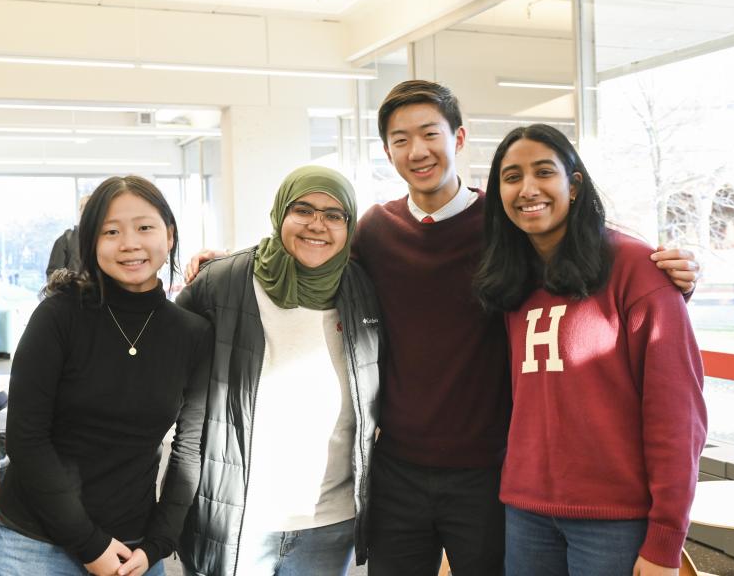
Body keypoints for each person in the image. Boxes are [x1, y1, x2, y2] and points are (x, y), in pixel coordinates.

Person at [185, 80, 701, 576]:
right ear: (387, 153)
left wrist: (675, 269)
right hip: (397, 468)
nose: (417, 150)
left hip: (490, 470)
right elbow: (314, 247)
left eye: (430, 134)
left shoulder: (505, 228)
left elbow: (581, 248)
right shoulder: (375, 230)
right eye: (400, 140)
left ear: (458, 139)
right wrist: (236, 260)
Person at [475, 123, 707, 576]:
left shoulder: (636, 268)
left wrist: (666, 540)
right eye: (511, 176)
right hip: (526, 511)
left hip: (614, 521)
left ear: (574, 185)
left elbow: (678, 416)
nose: (528, 189)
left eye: (544, 172)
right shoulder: (509, 279)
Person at [0, 176, 212, 576]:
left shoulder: (191, 333)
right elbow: (26, 440)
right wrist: (90, 546)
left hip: (133, 549)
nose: (130, 243)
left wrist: (160, 541)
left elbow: (189, 449)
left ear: (170, 236)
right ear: (91, 242)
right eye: (111, 231)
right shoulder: (58, 316)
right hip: (35, 545)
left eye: (145, 227)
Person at [178, 165, 381, 576]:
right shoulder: (223, 281)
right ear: (280, 213)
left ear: (350, 225)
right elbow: (160, 354)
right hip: (238, 515)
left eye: (334, 214)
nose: (317, 225)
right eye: (303, 210)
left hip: (327, 522)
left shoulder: (364, 287)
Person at [46, 194, 91, 278]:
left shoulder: (104, 240)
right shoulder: (65, 241)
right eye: (86, 207)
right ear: (80, 211)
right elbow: (52, 278)